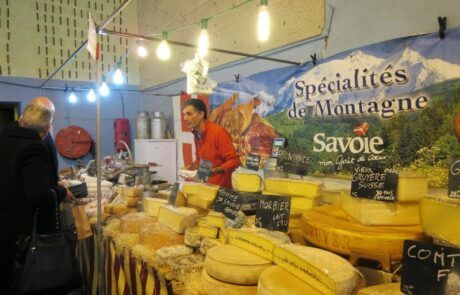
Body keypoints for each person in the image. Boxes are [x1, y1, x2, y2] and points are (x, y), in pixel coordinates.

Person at [0, 104, 74, 293]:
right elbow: (39, 195)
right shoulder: (34, 147)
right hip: (21, 229)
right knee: (24, 278)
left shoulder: (4, 137)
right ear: (46, 129)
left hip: (4, 223)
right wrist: (62, 192)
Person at [182, 99, 241, 188]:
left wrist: (213, 171)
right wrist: (188, 169)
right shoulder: (196, 134)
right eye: (184, 115)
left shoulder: (218, 132)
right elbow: (201, 161)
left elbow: (234, 161)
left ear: (201, 114)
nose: (185, 118)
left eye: (189, 114)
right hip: (205, 186)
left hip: (220, 189)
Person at [30, 96, 59, 172]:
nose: (49, 125)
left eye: (51, 120)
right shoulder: (25, 135)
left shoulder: (44, 130)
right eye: (46, 118)